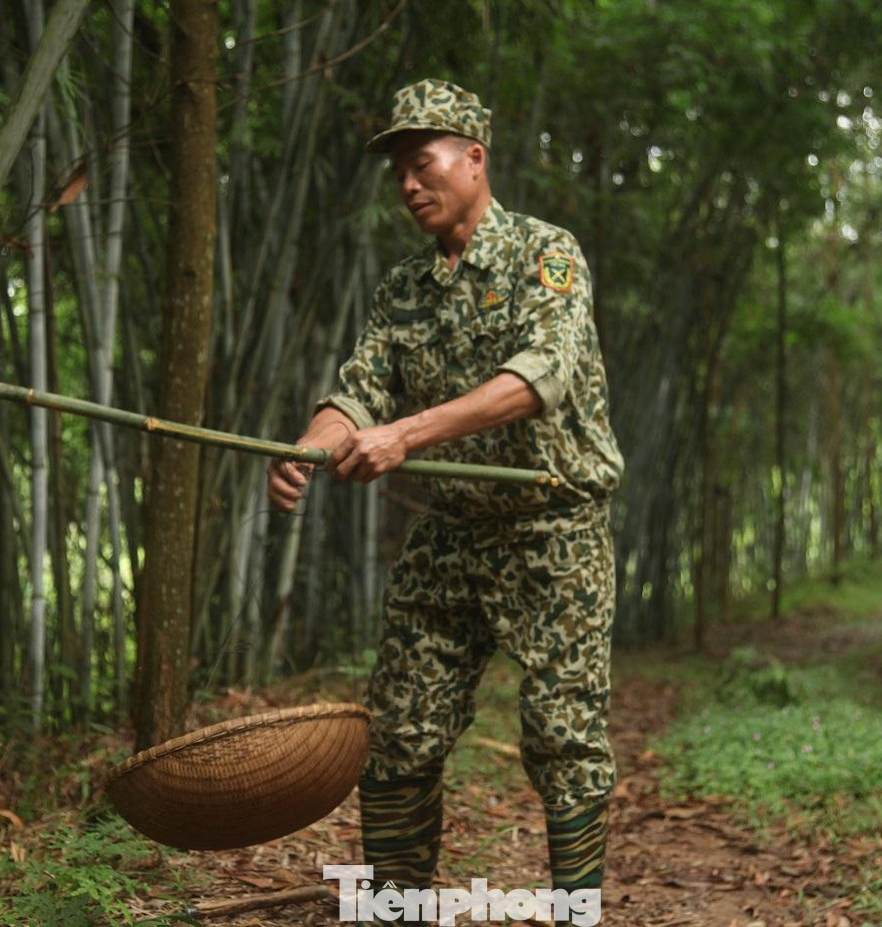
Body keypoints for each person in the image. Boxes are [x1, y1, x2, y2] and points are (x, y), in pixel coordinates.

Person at [267, 78, 624, 909]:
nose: (407, 185)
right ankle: (396, 903)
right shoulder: (405, 287)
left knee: (563, 736)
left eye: (421, 163)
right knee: (396, 731)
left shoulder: (547, 255)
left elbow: (540, 378)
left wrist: (406, 435)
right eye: (398, 171)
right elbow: (358, 391)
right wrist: (308, 449)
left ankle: (577, 906)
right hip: (453, 531)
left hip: (552, 525)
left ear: (474, 158)